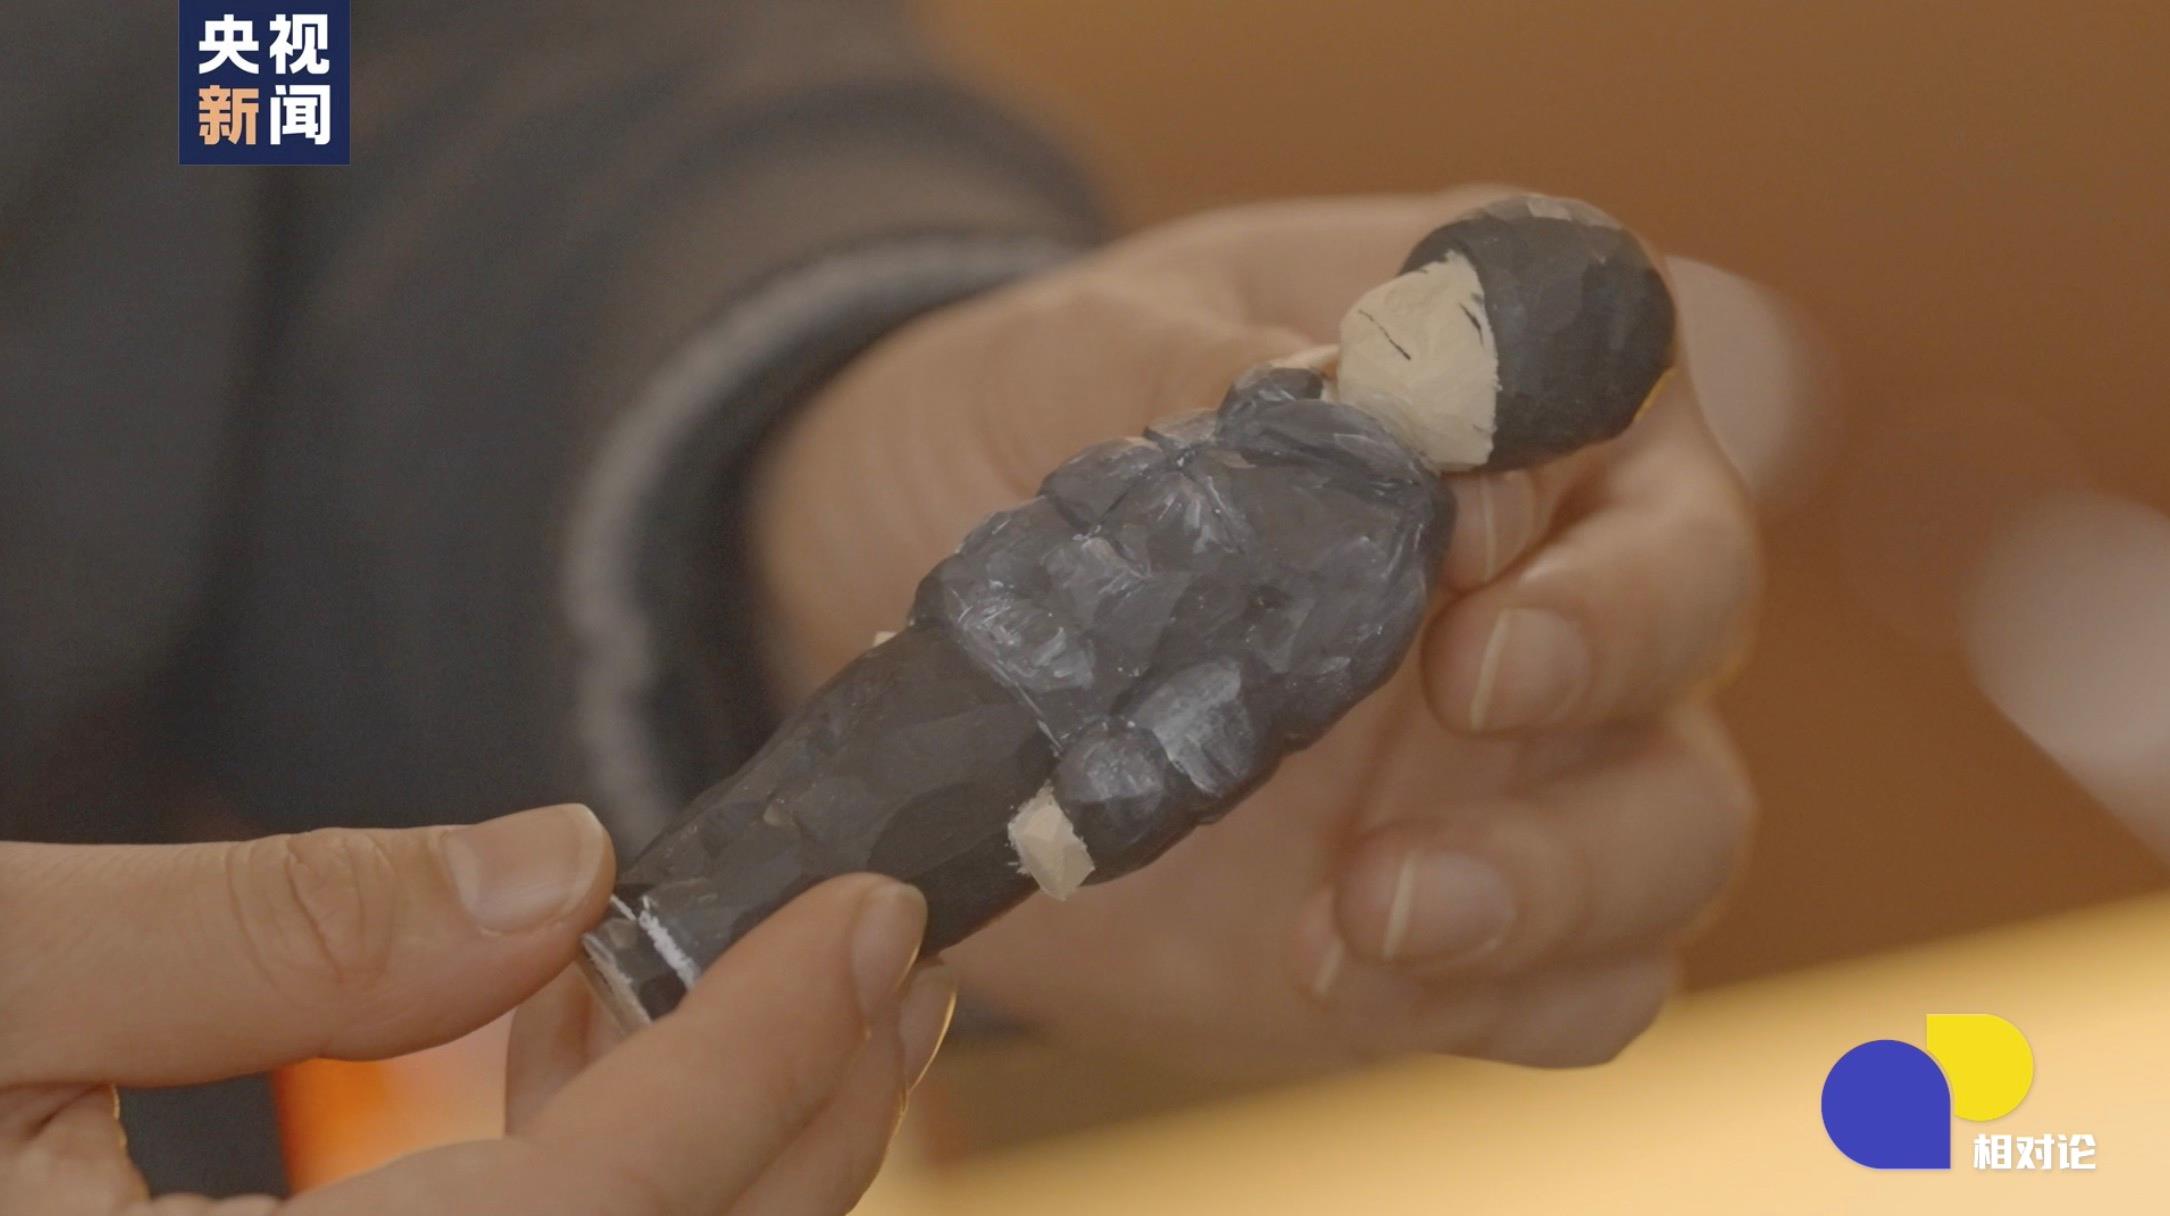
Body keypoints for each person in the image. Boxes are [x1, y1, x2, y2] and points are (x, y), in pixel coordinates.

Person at [0, 0, 1760, 1210]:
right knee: (828, 795)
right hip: (987, 636)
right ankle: (682, 921)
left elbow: (258, 82)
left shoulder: (1358, 529)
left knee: (850, 816)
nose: (1396, 325)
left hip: (1004, 691)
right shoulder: (1278, 425)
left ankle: (675, 937)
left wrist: (760, 451)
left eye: (1447, 328)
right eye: (1423, 295)